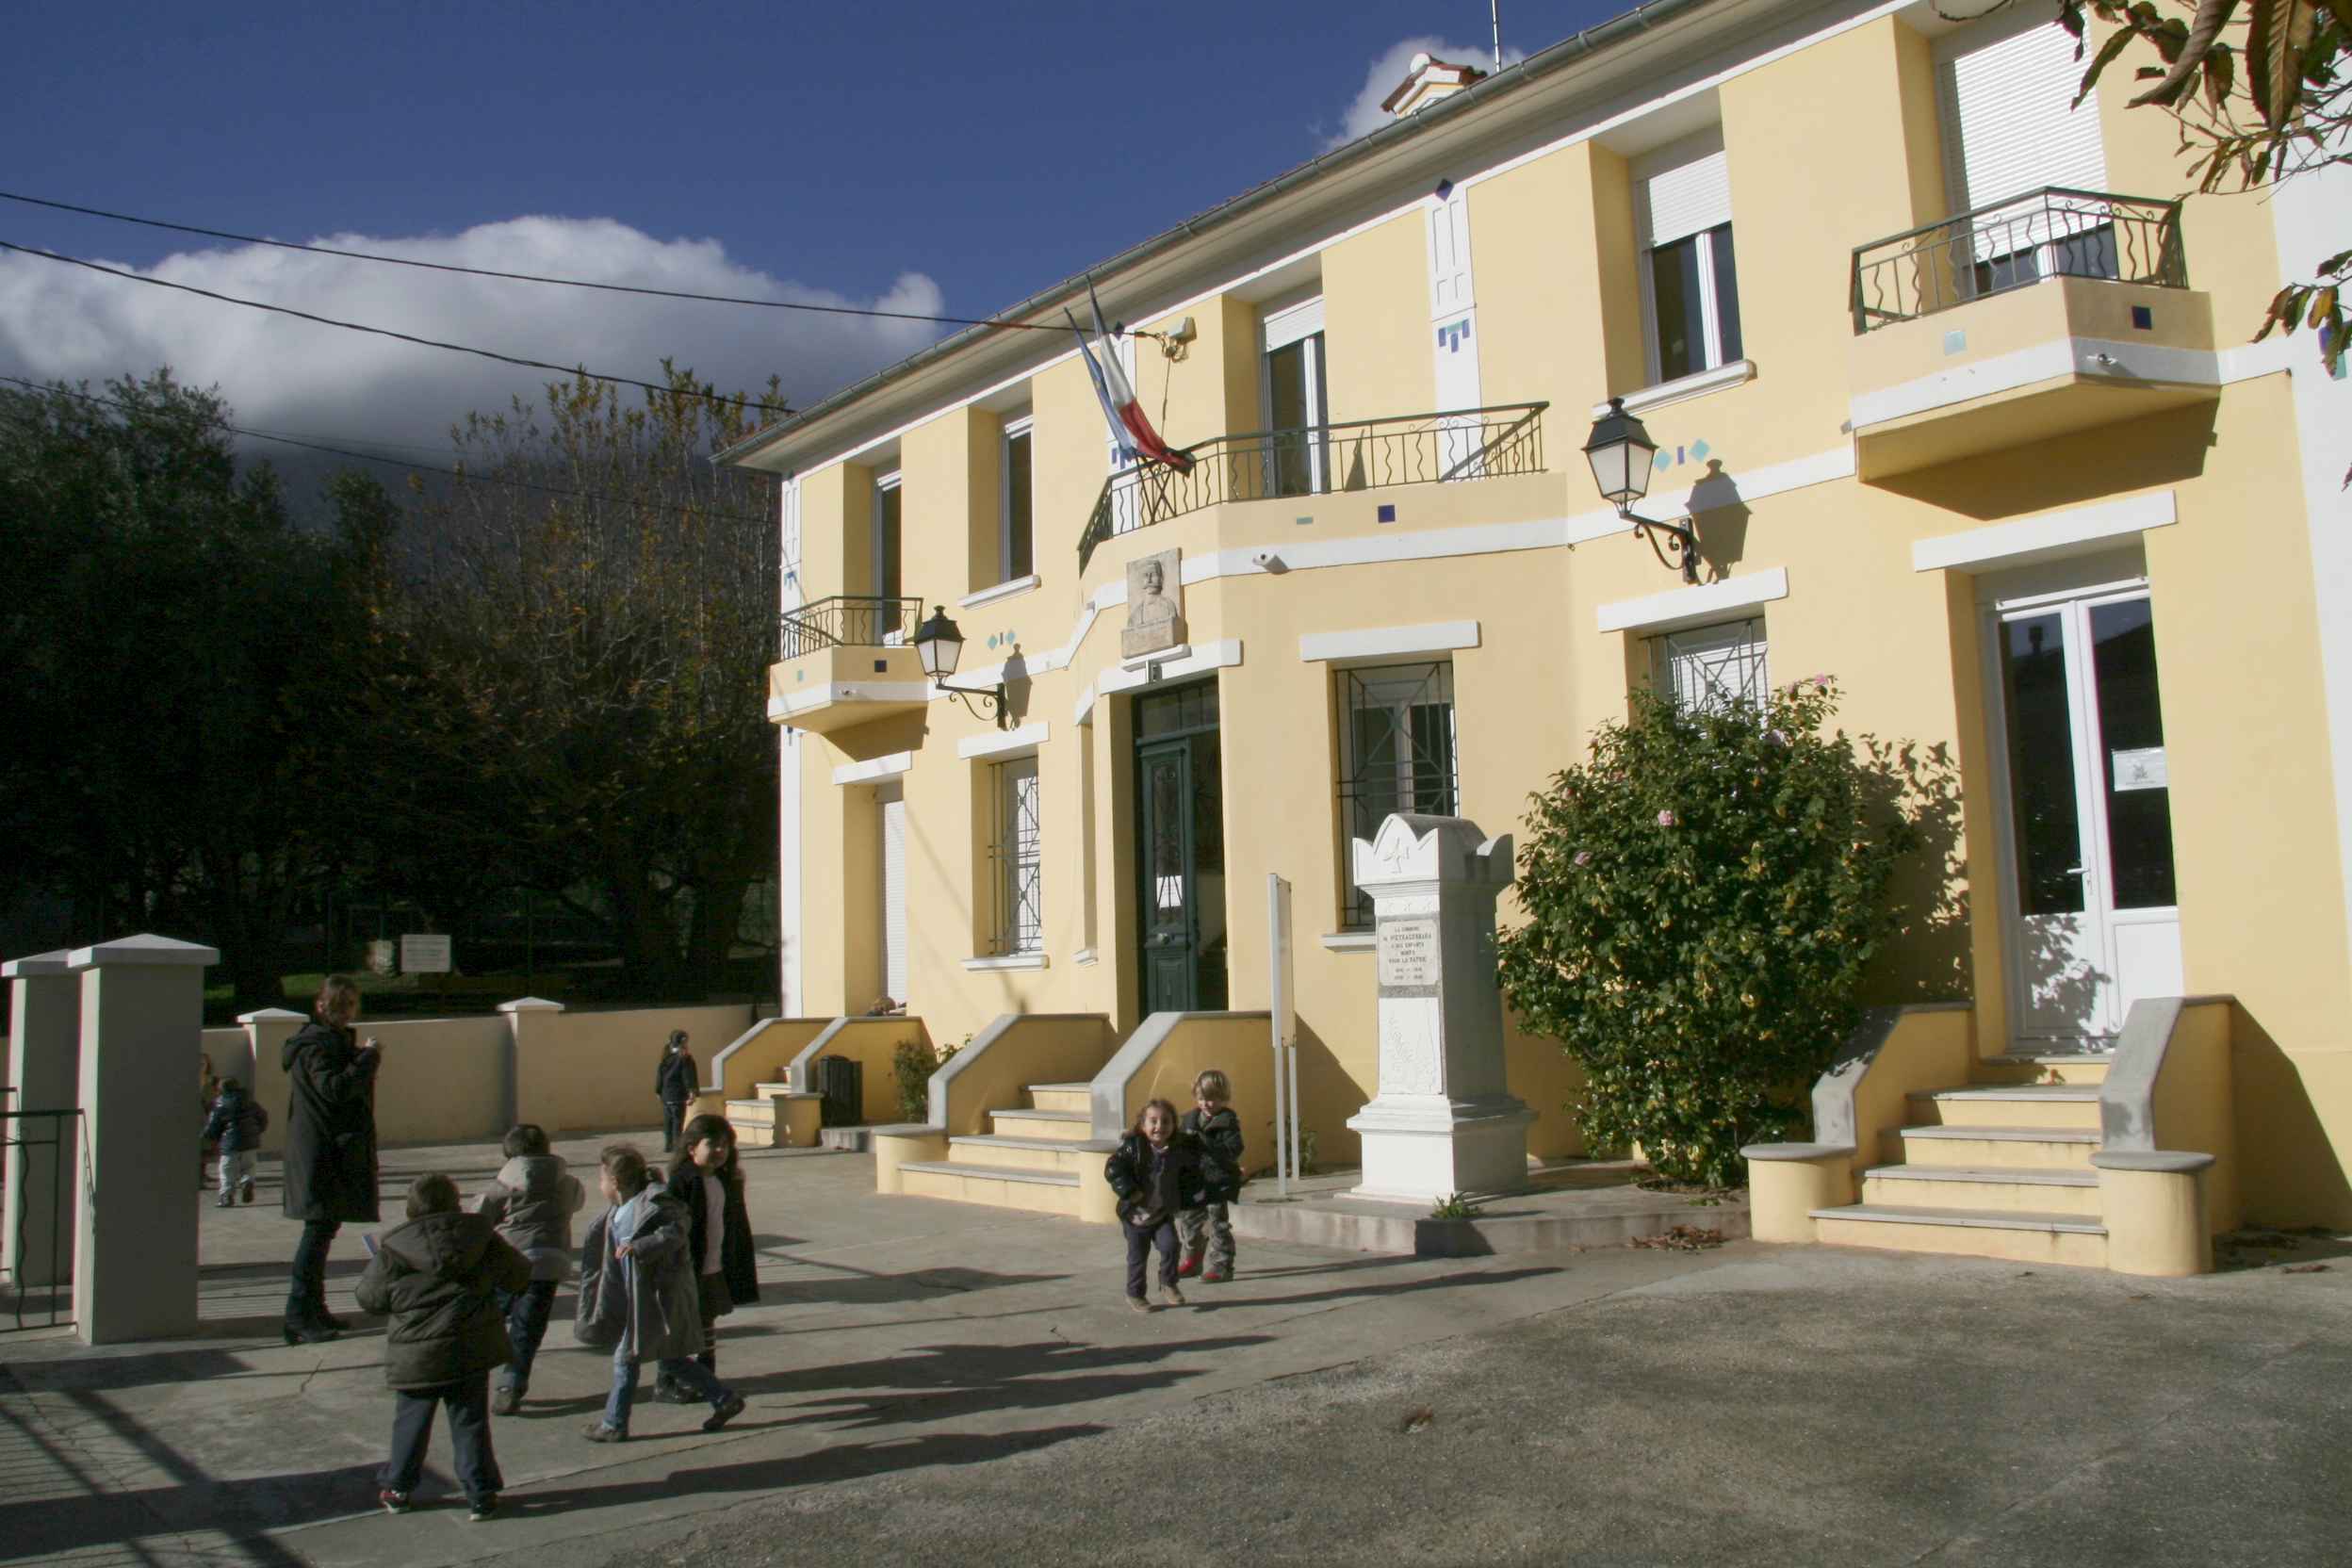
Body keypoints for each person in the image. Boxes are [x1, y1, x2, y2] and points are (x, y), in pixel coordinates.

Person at [353, 1171, 530, 1523]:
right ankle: (481, 1494)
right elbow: (518, 1274)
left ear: (411, 1207)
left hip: (417, 1352)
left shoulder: (393, 1248)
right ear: (455, 1202)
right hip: (470, 1345)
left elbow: (369, 1299)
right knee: (471, 1422)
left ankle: (398, 1487)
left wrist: (401, 1295)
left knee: (411, 1422)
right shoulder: (480, 1236)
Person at [574, 1143, 745, 1442]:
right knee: (672, 1358)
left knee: (626, 1359)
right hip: (636, 1296)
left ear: (614, 1182)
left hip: (655, 1297)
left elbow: (677, 1230)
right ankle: (724, 1398)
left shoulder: (656, 1203)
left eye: (601, 1178)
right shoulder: (620, 1208)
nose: (599, 1185)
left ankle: (614, 1424)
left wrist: (641, 1247)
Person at [282, 975, 383, 1345]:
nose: (345, 1013)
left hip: (328, 1149)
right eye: (338, 1006)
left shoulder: (327, 1042)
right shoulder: (314, 1046)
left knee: (323, 1232)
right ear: (321, 1005)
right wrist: (368, 1059)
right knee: (317, 1233)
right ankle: (298, 1315)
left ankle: (314, 1310)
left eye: (350, 1006)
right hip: (320, 1151)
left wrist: (360, 1057)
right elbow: (335, 1089)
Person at [473, 1123, 583, 1415]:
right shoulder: (567, 1183)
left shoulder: (502, 1187)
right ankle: (511, 1384)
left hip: (509, 1263)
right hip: (549, 1263)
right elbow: (578, 1201)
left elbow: (478, 1218)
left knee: (489, 1316)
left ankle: (473, 1368)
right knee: (528, 1329)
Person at [652, 1116, 760, 1404]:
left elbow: (734, 1223)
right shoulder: (682, 1182)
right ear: (691, 1148)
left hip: (715, 1266)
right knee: (679, 1326)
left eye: (725, 1145)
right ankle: (666, 1381)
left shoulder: (726, 1180)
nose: (720, 1151)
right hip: (688, 1267)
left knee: (706, 1322)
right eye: (712, 1144)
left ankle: (705, 1378)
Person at [1103, 1098, 1204, 1313]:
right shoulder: (1133, 1147)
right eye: (1153, 1121)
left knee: (1170, 1247)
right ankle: (1135, 1294)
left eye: (1166, 1121)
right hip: (1135, 1217)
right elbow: (1113, 1169)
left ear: (1173, 1125)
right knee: (1138, 1258)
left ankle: (1168, 1283)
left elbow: (1191, 1175)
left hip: (1161, 1214)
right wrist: (1130, 1191)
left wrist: (1195, 1194)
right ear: (1142, 1125)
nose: (1160, 1126)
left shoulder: (1178, 1150)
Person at [1177, 1069, 1246, 1283]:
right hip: (1194, 1181)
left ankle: (1222, 1264)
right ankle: (1193, 1258)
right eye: (1201, 1099)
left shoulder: (1228, 1122)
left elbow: (1235, 1148)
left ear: (1223, 1098)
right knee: (1189, 1220)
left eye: (1212, 1099)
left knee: (1218, 1223)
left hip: (1217, 1181)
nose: (1206, 1104)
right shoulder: (1189, 1120)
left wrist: (1209, 1146)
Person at [201, 1075, 269, 1208]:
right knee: (249, 1166)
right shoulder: (250, 1102)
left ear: (221, 1089)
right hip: (250, 1142)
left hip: (230, 1144)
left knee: (227, 1171)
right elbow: (263, 1117)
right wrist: (257, 1131)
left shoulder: (220, 1104)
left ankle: (227, 1197)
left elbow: (213, 1125)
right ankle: (247, 1181)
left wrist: (207, 1136)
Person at [654, 1032, 697, 1153]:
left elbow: (659, 1076)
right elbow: (687, 1076)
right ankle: (677, 1146)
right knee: (678, 1123)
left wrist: (658, 1091)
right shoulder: (685, 1057)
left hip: (666, 1095)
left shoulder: (666, 1057)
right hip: (678, 1095)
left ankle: (668, 1146)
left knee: (668, 1122)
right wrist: (692, 1091)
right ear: (683, 1041)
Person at [199, 1052, 221, 1189]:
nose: (201, 1066)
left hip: (209, 1116)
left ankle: (202, 1174)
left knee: (206, 1149)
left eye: (203, 1063)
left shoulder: (211, 1080)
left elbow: (217, 1097)